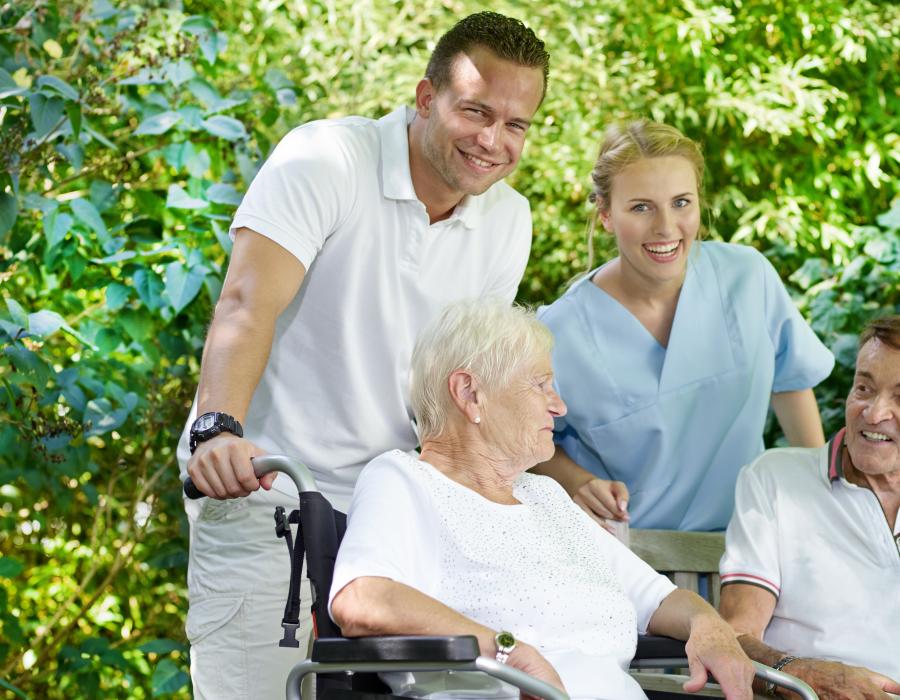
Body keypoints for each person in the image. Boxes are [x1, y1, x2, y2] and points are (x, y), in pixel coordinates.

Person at [174, 13, 618, 700]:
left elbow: (468, 391)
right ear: (423, 98)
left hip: (399, 510)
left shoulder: (508, 221)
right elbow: (245, 304)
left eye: (516, 125)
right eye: (475, 112)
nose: (492, 141)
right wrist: (218, 428)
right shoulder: (326, 160)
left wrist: (548, 480)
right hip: (272, 491)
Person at [330, 299, 756, 700]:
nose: (560, 406)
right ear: (469, 393)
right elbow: (361, 599)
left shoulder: (545, 495)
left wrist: (707, 624)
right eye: (541, 385)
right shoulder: (404, 480)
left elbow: (658, 598)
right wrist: (508, 653)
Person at [535, 120, 835, 531]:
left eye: (681, 203)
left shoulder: (747, 276)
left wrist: (824, 508)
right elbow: (529, 443)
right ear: (605, 214)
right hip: (627, 561)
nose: (665, 227)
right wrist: (578, 481)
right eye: (641, 207)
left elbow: (792, 384)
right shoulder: (557, 332)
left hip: (751, 548)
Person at [719, 315, 900, 700]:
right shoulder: (775, 479)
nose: (874, 413)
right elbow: (734, 635)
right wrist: (802, 675)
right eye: (864, 388)